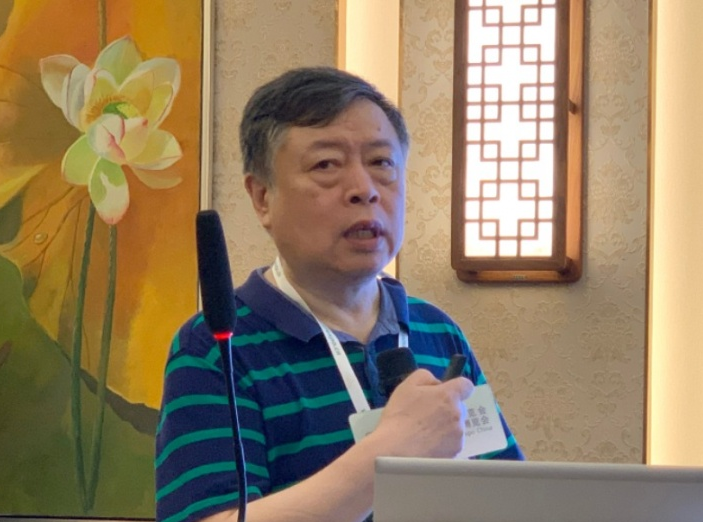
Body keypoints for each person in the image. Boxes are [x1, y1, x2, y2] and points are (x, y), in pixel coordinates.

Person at [155, 66, 524, 522]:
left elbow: (510, 500)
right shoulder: (216, 347)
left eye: (381, 163)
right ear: (262, 197)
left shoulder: (436, 331)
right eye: (326, 165)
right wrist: (389, 450)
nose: (364, 190)